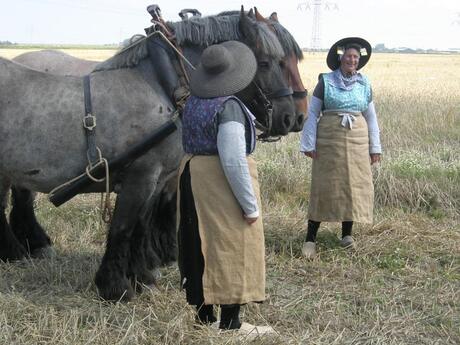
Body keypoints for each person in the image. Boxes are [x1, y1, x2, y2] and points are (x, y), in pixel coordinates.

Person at [177, 40, 274, 336]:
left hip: (192, 174)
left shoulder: (192, 102)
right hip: (218, 180)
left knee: (197, 243)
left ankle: (204, 316)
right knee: (233, 244)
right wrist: (250, 205)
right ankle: (231, 323)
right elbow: (232, 160)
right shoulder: (228, 107)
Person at [300, 37, 382, 259]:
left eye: (356, 57)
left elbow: (371, 118)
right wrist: (308, 143)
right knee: (323, 186)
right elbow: (312, 114)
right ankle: (310, 238)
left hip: (357, 141)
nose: (352, 60)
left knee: (352, 186)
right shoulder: (325, 82)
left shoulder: (365, 84)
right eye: (348, 56)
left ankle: (347, 235)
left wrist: (375, 147)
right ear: (340, 58)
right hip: (329, 141)